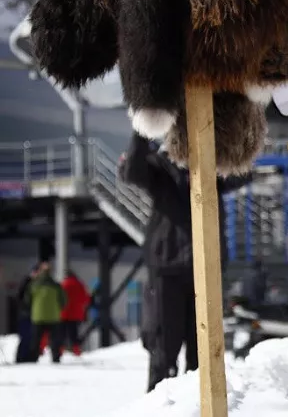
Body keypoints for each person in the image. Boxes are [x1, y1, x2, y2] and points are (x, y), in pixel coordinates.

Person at [119, 132, 251, 392]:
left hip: (206, 266)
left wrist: (232, 136)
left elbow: (243, 173)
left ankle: (199, 403)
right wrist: (141, 132)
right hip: (166, 267)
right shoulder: (159, 166)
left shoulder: (210, 165)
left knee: (202, 351)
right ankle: (159, 404)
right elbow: (132, 172)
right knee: (163, 348)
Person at [26, 261, 66, 364]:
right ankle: (56, 358)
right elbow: (63, 301)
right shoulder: (56, 285)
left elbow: (27, 300)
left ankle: (33, 358)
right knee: (55, 339)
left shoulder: (34, 285)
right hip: (53, 316)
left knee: (36, 339)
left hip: (38, 316)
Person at [60, 270, 90, 356]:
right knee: (74, 333)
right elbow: (86, 299)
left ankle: (60, 350)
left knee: (62, 333)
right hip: (76, 314)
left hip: (64, 313)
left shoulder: (63, 284)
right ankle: (76, 350)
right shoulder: (80, 284)